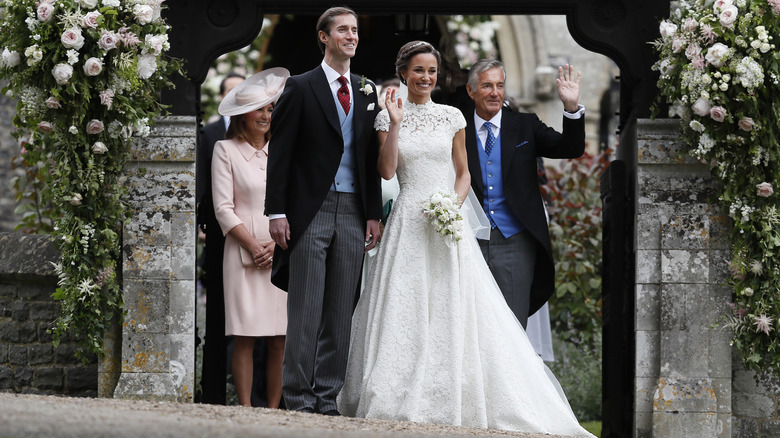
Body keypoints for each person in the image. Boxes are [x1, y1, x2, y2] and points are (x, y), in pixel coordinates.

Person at [337, 41, 593, 437]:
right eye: (418, 70)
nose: (425, 77)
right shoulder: (399, 117)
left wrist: (451, 208)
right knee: (410, 309)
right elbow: (387, 172)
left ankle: (476, 395)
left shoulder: (482, 120)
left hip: (466, 228)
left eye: (432, 71)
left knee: (478, 318)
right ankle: (407, 394)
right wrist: (396, 122)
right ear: (405, 73)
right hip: (411, 223)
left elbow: (469, 173)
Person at [265, 6, 383, 415]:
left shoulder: (367, 90)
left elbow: (370, 160)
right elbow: (279, 154)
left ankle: (327, 397)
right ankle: (297, 398)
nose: (351, 36)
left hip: (354, 211)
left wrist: (373, 213)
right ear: (324, 36)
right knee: (306, 308)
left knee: (340, 311)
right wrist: (276, 212)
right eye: (343, 30)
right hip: (309, 211)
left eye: (354, 29)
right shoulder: (300, 86)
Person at [464, 59, 586, 328]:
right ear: (471, 91)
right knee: (469, 326)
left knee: (511, 327)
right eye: (487, 86)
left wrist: (570, 107)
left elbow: (570, 147)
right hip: (468, 240)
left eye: (500, 85)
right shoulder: (457, 127)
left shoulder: (525, 125)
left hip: (515, 241)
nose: (495, 92)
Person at [211, 67, 290, 408]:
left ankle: (273, 410)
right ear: (243, 116)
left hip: (281, 251)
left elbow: (295, 201)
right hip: (242, 255)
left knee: (279, 337)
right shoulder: (224, 150)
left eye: (270, 109)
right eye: (260, 109)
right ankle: (245, 409)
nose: (266, 115)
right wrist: (255, 245)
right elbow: (223, 208)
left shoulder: (283, 151)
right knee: (244, 336)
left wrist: (276, 246)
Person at [197, 72, 244, 404]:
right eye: (233, 90)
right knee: (218, 316)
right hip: (217, 230)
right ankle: (212, 391)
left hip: (254, 229)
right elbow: (200, 179)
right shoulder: (210, 133)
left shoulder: (265, 132)